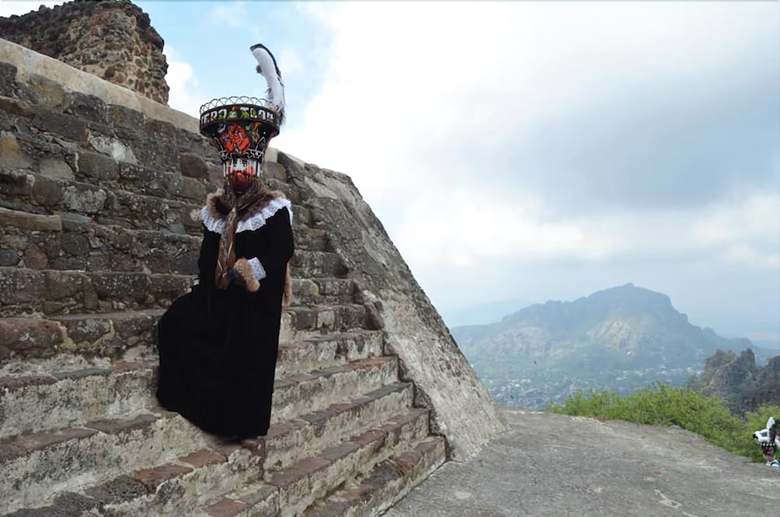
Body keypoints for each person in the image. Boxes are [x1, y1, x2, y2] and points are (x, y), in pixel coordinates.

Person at [155, 43, 293, 441]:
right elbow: (206, 255)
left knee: (244, 346)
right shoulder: (214, 210)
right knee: (177, 322)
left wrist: (250, 271)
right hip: (221, 293)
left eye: (243, 168)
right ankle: (192, 401)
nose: (237, 174)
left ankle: (237, 424)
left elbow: (280, 250)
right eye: (232, 168)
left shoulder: (273, 206)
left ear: (254, 168)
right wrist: (208, 283)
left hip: (254, 299)